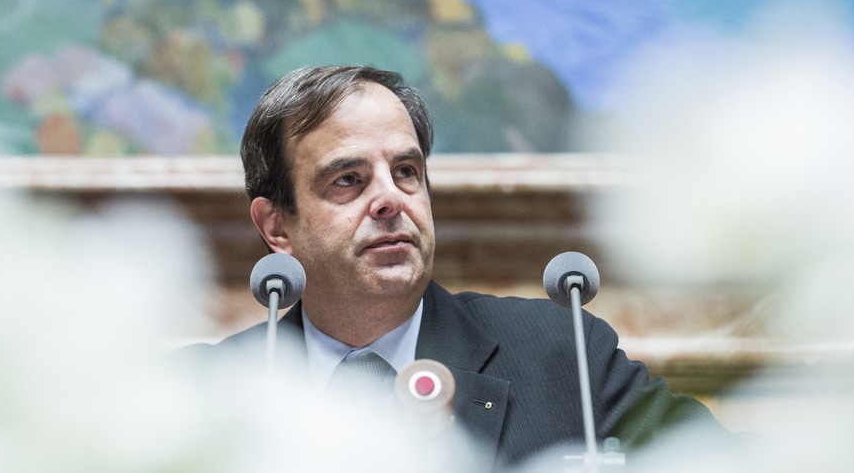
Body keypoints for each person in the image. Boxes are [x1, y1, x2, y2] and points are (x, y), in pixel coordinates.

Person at [183, 65, 736, 471]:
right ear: (276, 226)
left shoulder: (562, 354)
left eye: (406, 171)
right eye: (347, 179)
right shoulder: (212, 394)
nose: (390, 199)